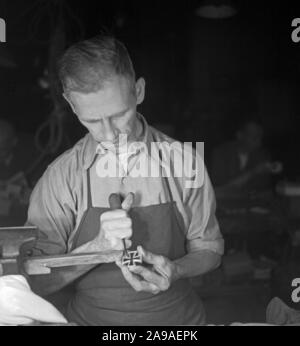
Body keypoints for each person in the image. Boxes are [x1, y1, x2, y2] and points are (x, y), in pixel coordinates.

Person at [25, 34, 223, 326]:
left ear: (138, 91)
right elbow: (35, 280)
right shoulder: (61, 178)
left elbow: (209, 250)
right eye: (92, 121)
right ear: (71, 105)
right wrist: (97, 248)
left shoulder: (184, 163)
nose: (109, 133)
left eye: (120, 115)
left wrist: (177, 270)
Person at [211, 119, 281, 199]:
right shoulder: (221, 153)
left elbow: (265, 190)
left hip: (253, 206)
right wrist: (253, 172)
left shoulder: (263, 155)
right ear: (240, 135)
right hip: (224, 204)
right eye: (254, 138)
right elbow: (219, 190)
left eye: (260, 137)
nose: (259, 142)